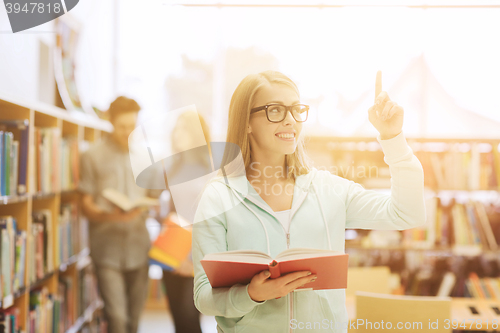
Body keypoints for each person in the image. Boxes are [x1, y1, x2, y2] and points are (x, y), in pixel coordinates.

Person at [191, 70, 426, 333]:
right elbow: (203, 296)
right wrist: (252, 294)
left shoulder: (328, 189)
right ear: (246, 121)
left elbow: (407, 214)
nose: (291, 120)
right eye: (276, 110)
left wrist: (393, 137)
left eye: (296, 110)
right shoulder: (218, 197)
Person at [79, 96, 160, 333]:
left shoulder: (146, 156)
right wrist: (111, 215)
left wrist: (150, 204)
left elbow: (155, 199)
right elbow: (85, 205)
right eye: (123, 126)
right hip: (107, 250)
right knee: (117, 319)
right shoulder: (92, 156)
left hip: (139, 247)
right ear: (110, 121)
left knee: (134, 321)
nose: (128, 132)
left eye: (132, 126)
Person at [160, 111, 210, 333]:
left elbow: (211, 219)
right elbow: (169, 213)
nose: (177, 133)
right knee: (179, 321)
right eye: (176, 128)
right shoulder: (171, 167)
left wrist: (190, 258)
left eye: (184, 128)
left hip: (195, 256)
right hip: (171, 252)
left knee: (189, 318)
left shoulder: (212, 168)